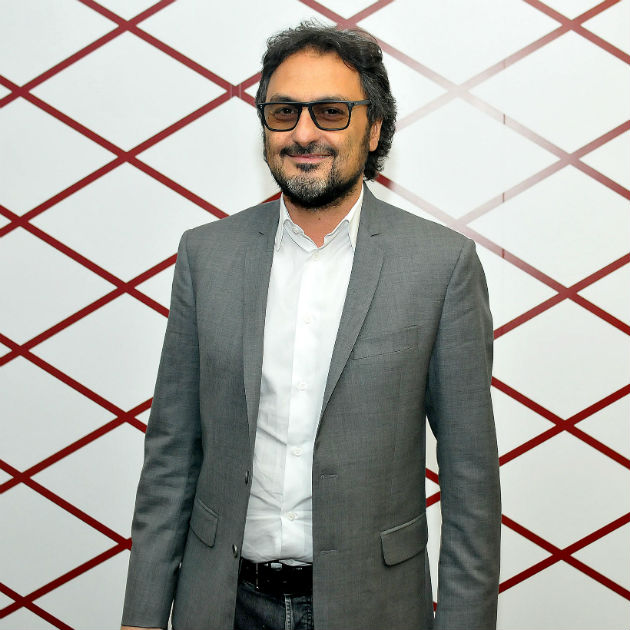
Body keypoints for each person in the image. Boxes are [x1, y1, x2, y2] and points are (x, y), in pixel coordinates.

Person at [121, 22, 500, 630]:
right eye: (284, 112)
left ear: (373, 129)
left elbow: (471, 483)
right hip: (221, 605)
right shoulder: (205, 257)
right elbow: (171, 457)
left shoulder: (441, 267)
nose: (303, 133)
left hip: (374, 609)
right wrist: (141, 616)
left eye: (329, 112)